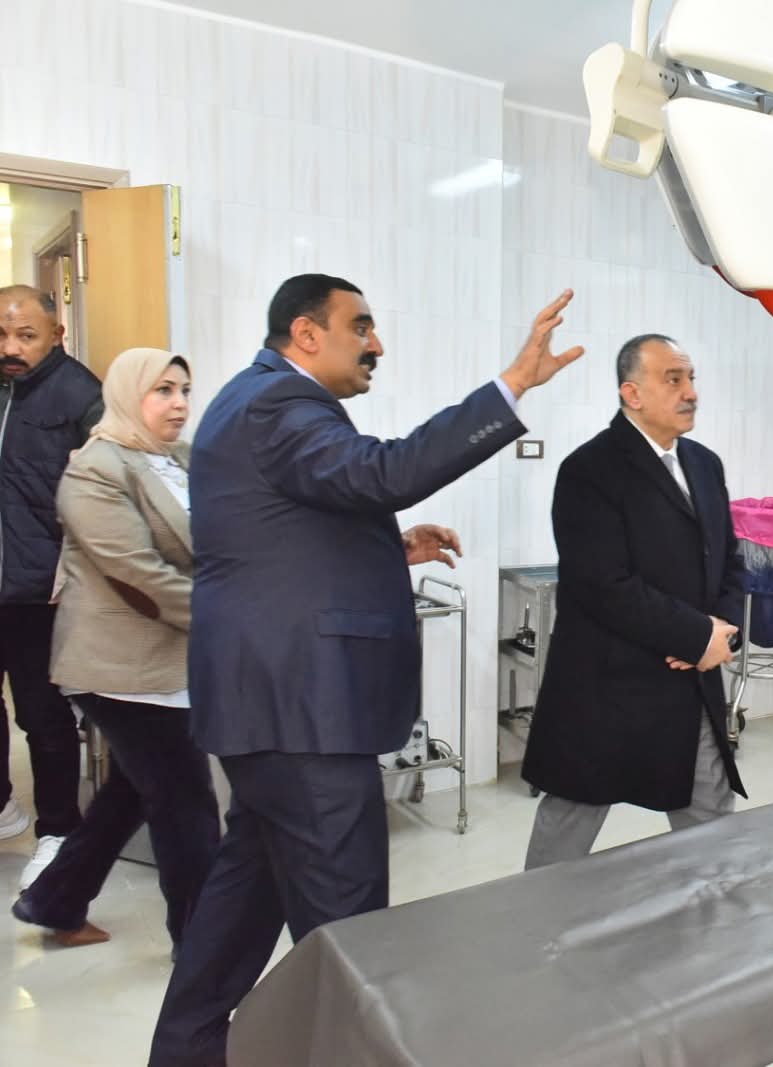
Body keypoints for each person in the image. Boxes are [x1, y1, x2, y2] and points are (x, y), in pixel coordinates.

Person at [148, 275, 582, 1066]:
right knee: (351, 931)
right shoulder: (281, 404)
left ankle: (186, 1050)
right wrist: (513, 383)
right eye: (362, 327)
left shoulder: (253, 400)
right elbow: (384, 472)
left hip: (271, 712)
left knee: (240, 909)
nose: (376, 343)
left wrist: (390, 546)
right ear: (306, 333)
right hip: (303, 714)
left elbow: (288, 530)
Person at [11, 349, 219, 952]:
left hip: (169, 658)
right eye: (163, 391)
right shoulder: (95, 469)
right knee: (186, 804)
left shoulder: (179, 460)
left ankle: (54, 900)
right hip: (118, 666)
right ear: (128, 395)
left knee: (133, 790)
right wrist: (230, 616)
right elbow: (137, 573)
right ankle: (202, 949)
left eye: (185, 390)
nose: (179, 404)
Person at [521, 333, 745, 870]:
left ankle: (713, 912)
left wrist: (721, 631)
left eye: (691, 378)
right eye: (674, 379)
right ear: (633, 393)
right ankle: (533, 916)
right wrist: (695, 635)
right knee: (571, 819)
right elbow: (603, 584)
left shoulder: (704, 465)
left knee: (710, 815)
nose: (691, 392)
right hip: (607, 686)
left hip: (687, 682)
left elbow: (729, 560)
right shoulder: (590, 470)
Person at [0, 285, 103, 884]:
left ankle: (59, 831)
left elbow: (108, 491)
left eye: (26, 335)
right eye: (1, 334)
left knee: (43, 717)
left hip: (42, 591)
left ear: (57, 334)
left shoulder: (81, 395)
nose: (10, 348)